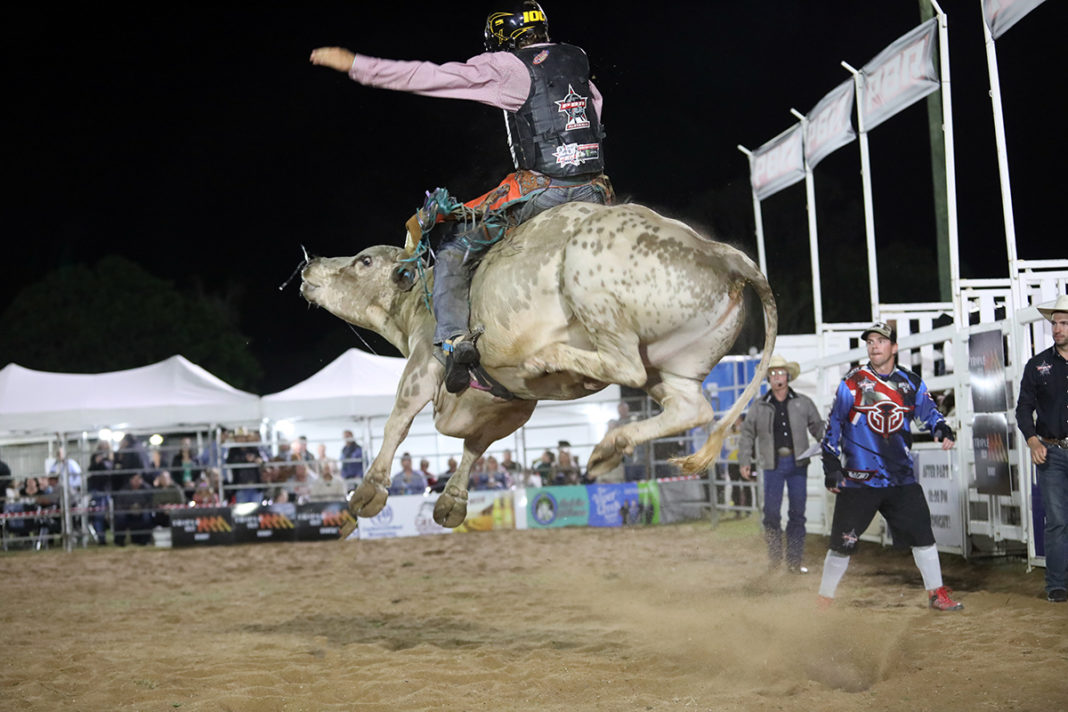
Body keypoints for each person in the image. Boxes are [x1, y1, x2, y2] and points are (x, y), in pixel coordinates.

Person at [310, 1, 612, 394]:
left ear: (501, 39)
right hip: (595, 190)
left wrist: (358, 65)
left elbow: (432, 76)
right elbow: (595, 111)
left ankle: (454, 342)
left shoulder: (508, 67)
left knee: (454, 246)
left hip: (545, 192)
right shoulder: (575, 61)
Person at [818, 322, 962, 611]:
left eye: (881, 341)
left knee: (923, 535)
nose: (874, 346)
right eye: (870, 341)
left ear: (894, 347)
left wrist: (942, 429)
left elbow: (930, 414)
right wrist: (831, 465)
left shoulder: (911, 383)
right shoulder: (852, 383)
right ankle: (824, 598)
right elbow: (833, 425)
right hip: (860, 479)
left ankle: (937, 594)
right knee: (842, 543)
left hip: (900, 479)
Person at [738, 354, 825, 573]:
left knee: (797, 513)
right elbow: (747, 433)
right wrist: (744, 460)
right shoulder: (760, 406)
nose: (777, 376)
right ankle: (775, 558)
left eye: (781, 373)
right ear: (768, 377)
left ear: (788, 376)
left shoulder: (803, 402)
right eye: (773, 373)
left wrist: (831, 441)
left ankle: (794, 561)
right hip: (772, 464)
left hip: (797, 463)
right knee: (772, 514)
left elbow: (817, 427)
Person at [1015, 294, 1068, 603]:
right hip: (1051, 451)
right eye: (1054, 323)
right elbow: (1024, 408)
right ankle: (1057, 585)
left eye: (1063, 323)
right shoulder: (1038, 365)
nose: (1057, 328)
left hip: (1052, 452)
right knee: (1058, 520)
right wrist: (1032, 439)